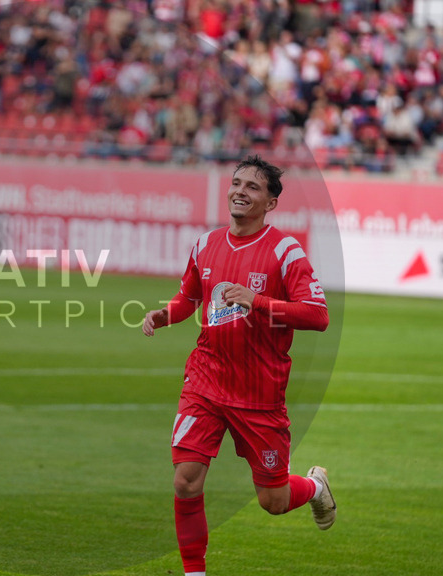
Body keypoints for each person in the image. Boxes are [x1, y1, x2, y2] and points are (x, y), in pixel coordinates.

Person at [142, 155, 334, 576]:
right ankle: (195, 573)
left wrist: (257, 301)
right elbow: (190, 298)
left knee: (274, 501)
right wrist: (166, 314)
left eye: (253, 187)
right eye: (236, 183)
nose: (240, 191)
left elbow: (318, 316)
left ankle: (316, 486)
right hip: (206, 379)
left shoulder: (284, 250)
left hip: (259, 392)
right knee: (185, 480)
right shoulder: (206, 244)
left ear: (270, 203)